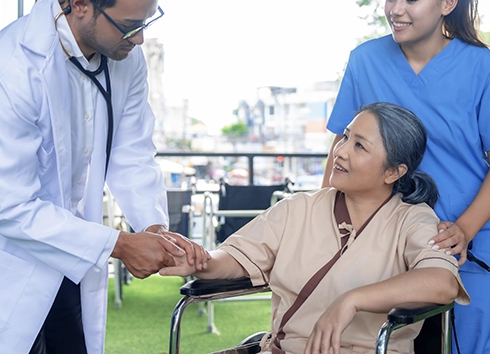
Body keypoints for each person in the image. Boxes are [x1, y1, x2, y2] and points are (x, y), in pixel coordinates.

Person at [0, 0, 209, 353]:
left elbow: (132, 153)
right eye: (130, 24)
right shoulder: (13, 67)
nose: (141, 38)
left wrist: (153, 229)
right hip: (14, 261)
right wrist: (119, 245)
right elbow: (9, 205)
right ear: (80, 4)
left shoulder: (124, 56)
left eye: (148, 20)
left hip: (74, 268)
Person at [161, 102, 469, 354]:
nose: (342, 151)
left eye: (359, 145)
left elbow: (441, 282)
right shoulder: (298, 208)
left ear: (393, 172)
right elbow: (236, 257)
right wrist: (201, 259)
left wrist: (352, 300)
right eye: (345, 137)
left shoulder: (413, 220)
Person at [322, 0, 490, 353]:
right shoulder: (365, 61)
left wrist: (463, 230)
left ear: (448, 2)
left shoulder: (481, 67)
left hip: (469, 239)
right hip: (382, 238)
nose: (396, 9)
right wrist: (325, 226)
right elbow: (340, 150)